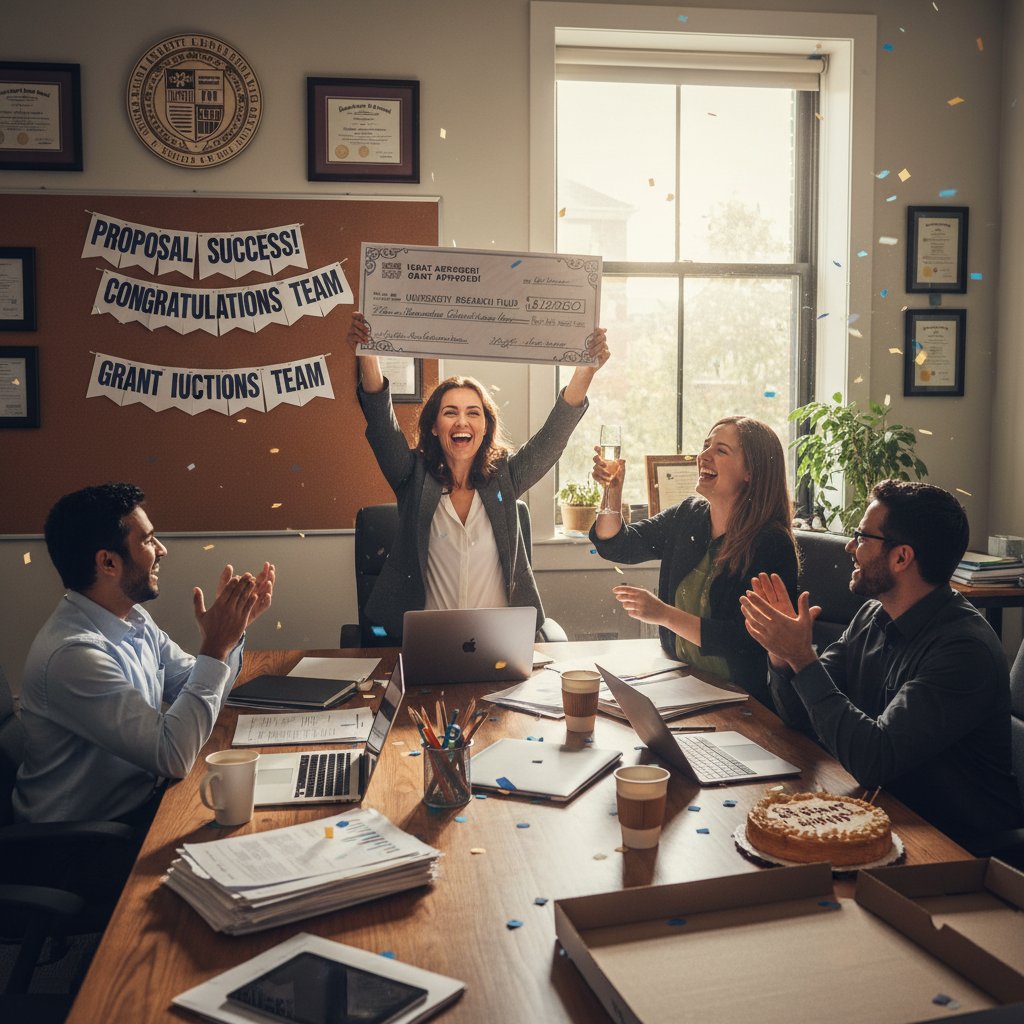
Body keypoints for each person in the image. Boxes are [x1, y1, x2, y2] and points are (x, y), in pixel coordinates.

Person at [740, 480, 1024, 850]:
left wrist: (801, 658)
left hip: (959, 844)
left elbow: (875, 760)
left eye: (861, 537)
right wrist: (781, 654)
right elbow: (801, 716)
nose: (849, 547)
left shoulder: (963, 651)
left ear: (901, 557)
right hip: (886, 810)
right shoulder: (873, 615)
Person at [15, 483, 276, 827]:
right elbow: (173, 755)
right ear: (108, 562)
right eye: (148, 540)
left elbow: (196, 686)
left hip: (144, 804)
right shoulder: (73, 655)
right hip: (82, 842)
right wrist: (215, 647)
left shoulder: (132, 618)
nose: (162, 550)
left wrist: (231, 633)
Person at [346, 310, 609, 640]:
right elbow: (383, 425)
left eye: (473, 413)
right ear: (433, 425)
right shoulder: (411, 476)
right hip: (426, 643)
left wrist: (586, 371)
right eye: (450, 412)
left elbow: (552, 439)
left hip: (499, 641)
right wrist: (368, 353)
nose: (462, 422)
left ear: (485, 428)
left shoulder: (506, 477)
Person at [589, 416, 797, 703]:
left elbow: (749, 640)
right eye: (705, 446)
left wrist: (663, 614)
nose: (704, 456)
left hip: (739, 700)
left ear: (751, 471)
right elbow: (617, 545)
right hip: (680, 683)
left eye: (721, 450)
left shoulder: (771, 543)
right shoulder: (689, 516)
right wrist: (611, 491)